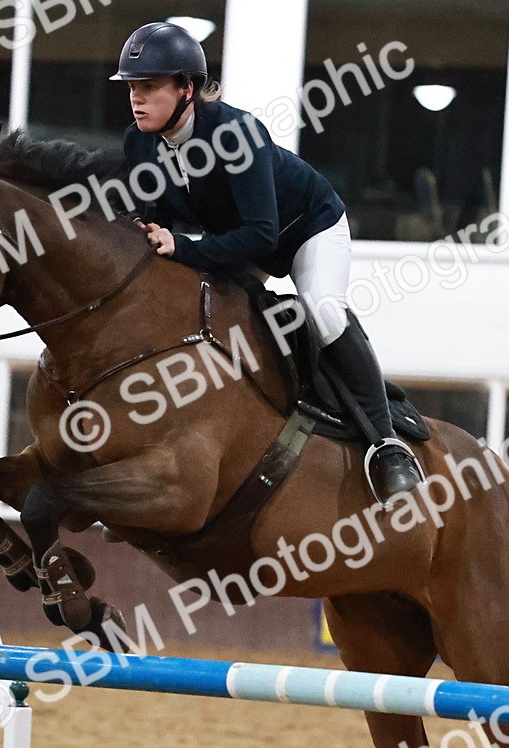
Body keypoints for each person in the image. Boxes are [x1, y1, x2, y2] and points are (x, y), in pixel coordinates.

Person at [111, 21, 422, 504]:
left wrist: (185, 248)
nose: (137, 99)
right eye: (132, 87)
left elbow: (261, 234)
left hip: (305, 230)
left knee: (322, 309)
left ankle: (388, 447)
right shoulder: (138, 142)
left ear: (187, 89)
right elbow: (154, 218)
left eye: (149, 87)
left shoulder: (237, 133)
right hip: (236, 239)